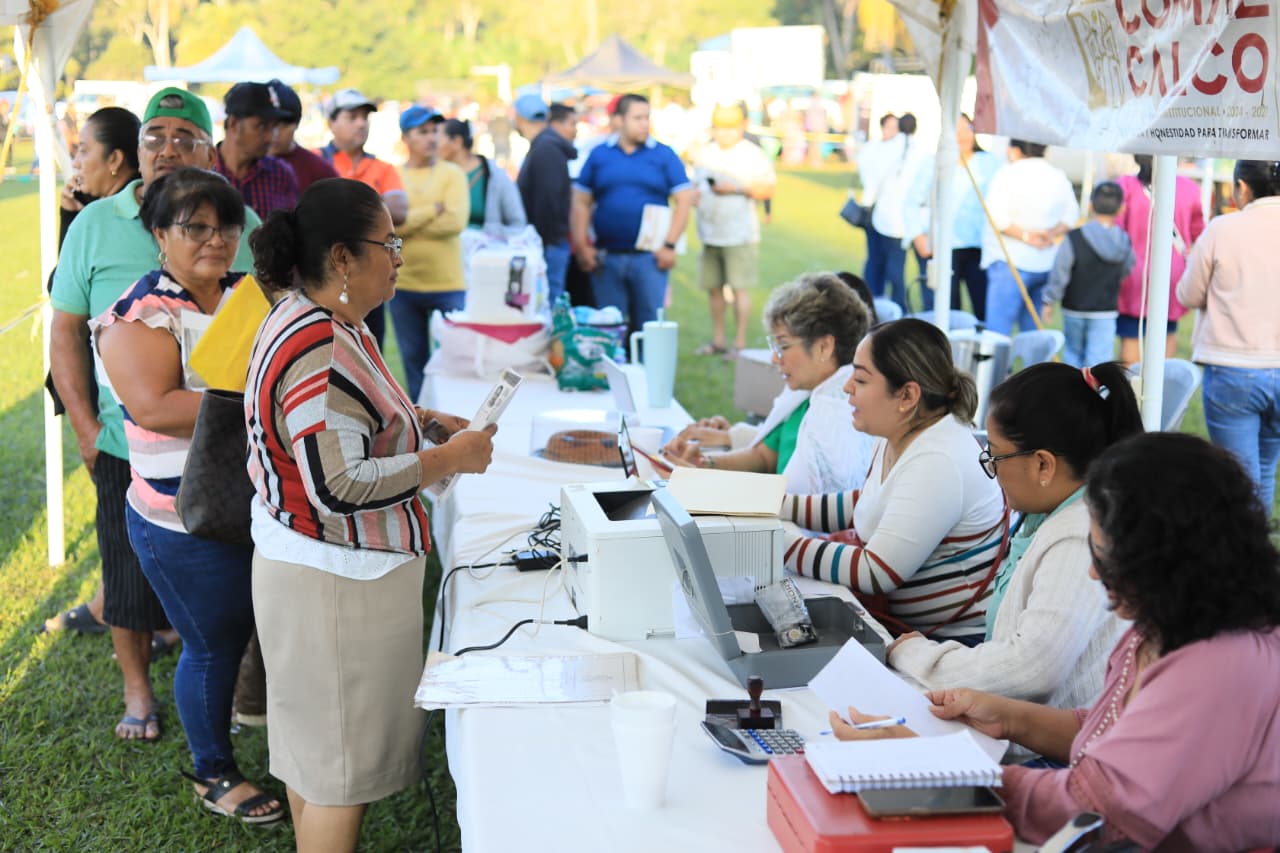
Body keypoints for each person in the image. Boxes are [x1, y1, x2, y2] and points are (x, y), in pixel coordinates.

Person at [830, 433, 1280, 851]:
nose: (1090, 573)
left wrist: (929, 767)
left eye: (1103, 557)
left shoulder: (1220, 666)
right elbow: (1117, 731)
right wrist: (1011, 717)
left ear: (1163, 560)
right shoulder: (1167, 623)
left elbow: (1098, 810)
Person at [246, 178, 496, 852]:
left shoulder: (327, 317)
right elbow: (337, 483)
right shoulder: (318, 346)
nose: (400, 254)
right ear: (344, 257)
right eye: (388, 242)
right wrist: (449, 460)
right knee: (337, 775)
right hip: (332, 587)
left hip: (315, 573)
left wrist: (423, 423)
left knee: (316, 759)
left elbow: (357, 424)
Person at [49, 88, 259, 742]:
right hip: (125, 440)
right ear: (135, 150)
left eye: (184, 137)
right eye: (154, 136)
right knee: (125, 573)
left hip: (225, 447)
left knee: (228, 567)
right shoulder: (93, 224)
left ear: (209, 150)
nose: (167, 148)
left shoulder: (238, 223)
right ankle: (138, 690)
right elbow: (64, 331)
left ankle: (224, 680)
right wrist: (85, 427)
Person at [93, 167, 282, 823]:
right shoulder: (139, 312)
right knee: (212, 642)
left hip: (255, 501)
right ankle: (213, 771)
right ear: (159, 235)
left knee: (251, 627)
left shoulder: (246, 293)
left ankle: (252, 718)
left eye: (226, 225)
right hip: (181, 516)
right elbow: (157, 406)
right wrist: (270, 402)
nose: (215, 238)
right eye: (194, 226)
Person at [889, 362, 1139, 710]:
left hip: (1053, 751)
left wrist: (915, 655)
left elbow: (1031, 671)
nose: (992, 469)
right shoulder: (1054, 517)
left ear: (1043, 465)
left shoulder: (1077, 536)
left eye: (996, 455)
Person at [782, 319, 1005, 641]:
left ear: (907, 395)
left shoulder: (938, 460)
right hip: (907, 632)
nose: (847, 387)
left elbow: (875, 572)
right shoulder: (900, 432)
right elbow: (868, 502)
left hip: (951, 646)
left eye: (860, 378)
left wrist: (775, 544)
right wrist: (773, 505)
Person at [43, 106, 143, 630]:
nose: (77, 159)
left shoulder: (137, 221)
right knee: (118, 513)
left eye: (84, 149)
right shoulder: (91, 213)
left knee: (126, 513)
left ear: (118, 159)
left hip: (117, 394)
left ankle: (117, 604)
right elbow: (64, 287)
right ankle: (113, 600)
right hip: (89, 382)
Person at [663, 273, 873, 494]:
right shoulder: (802, 396)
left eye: (783, 345)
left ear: (824, 347)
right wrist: (703, 464)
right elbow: (764, 456)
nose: (774, 358)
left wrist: (705, 482)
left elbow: (799, 502)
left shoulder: (840, 413)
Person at [1176, 159, 1280, 513]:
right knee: (1264, 469)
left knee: (1239, 475)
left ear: (1243, 188)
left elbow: (1188, 295)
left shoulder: (1223, 229)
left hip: (1233, 367)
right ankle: (1256, 551)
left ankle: (1243, 556)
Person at [572, 93, 694, 334]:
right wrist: (581, 245)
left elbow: (684, 199)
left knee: (649, 326)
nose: (644, 124)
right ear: (618, 120)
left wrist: (669, 246)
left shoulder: (663, 155)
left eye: (647, 117)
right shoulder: (600, 155)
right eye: (637, 118)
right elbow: (580, 201)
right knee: (609, 326)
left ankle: (649, 371)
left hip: (650, 258)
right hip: (607, 257)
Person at [390, 105, 469, 403]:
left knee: (455, 360)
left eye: (435, 130)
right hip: (404, 283)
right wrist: (432, 210)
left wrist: (409, 219)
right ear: (406, 138)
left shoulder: (453, 174)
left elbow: (454, 222)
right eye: (422, 132)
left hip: (448, 284)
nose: (431, 138)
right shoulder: (394, 176)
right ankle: (420, 419)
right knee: (414, 362)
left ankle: (456, 415)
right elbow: (391, 229)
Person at [321, 88, 407, 347]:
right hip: (327, 276)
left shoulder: (383, 167)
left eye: (365, 118)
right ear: (331, 123)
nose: (361, 123)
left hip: (372, 274)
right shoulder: (315, 162)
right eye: (352, 116)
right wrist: (375, 205)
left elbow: (400, 212)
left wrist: (337, 209)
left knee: (370, 351)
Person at [690, 103, 776, 356]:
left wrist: (737, 189)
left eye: (730, 128)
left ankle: (739, 344)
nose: (725, 133)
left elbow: (768, 189)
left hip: (740, 234)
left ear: (741, 127)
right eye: (720, 128)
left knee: (740, 289)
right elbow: (696, 185)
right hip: (709, 233)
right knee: (713, 289)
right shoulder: (705, 153)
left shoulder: (752, 154)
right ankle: (718, 341)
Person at [904, 114, 1002, 318]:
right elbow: (912, 201)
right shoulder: (934, 163)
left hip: (979, 246)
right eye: (957, 132)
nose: (963, 136)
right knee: (947, 307)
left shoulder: (990, 163)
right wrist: (918, 236)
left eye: (967, 130)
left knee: (982, 305)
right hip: (945, 245)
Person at [981, 140, 1080, 335]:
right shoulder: (1058, 176)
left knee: (997, 332)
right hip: (1045, 261)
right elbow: (1071, 215)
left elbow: (996, 218)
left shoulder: (1007, 173)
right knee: (1033, 333)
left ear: (1016, 150)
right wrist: (1049, 234)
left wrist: (1026, 236)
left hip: (1009, 260)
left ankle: (999, 367)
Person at [1116, 154, 1205, 364]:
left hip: (1132, 273)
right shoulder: (1190, 188)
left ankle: (1130, 392)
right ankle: (1162, 390)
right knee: (1167, 332)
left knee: (1130, 336)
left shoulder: (1124, 186)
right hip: (1172, 272)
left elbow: (1116, 232)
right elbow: (1197, 232)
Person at [1040, 182, 1135, 367]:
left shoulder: (1074, 238)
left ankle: (1072, 394)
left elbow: (1061, 271)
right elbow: (1128, 266)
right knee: (1099, 363)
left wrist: (1049, 299)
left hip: (1074, 307)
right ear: (1121, 208)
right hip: (1105, 310)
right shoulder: (1123, 240)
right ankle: (1094, 395)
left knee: (1073, 357)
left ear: (1090, 205)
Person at [516, 96, 577, 305]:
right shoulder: (545, 146)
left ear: (518, 118)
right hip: (549, 242)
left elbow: (548, 201)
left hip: (548, 244)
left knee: (548, 306)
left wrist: (539, 241)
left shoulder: (545, 149)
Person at [857, 113, 918, 313]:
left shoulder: (888, 150)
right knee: (889, 266)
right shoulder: (916, 150)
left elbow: (870, 180)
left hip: (886, 216)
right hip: (893, 217)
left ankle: (879, 305)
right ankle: (891, 306)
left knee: (881, 264)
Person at [212, 81, 298, 217]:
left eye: (274, 127)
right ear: (233, 124)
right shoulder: (203, 171)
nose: (271, 137)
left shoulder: (281, 174)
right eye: (261, 126)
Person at [438, 117, 527, 232]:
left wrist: (492, 237)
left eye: (437, 140)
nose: (432, 145)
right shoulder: (435, 175)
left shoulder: (495, 176)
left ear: (457, 142)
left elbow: (518, 222)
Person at [265, 79, 338, 193]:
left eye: (283, 125)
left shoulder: (320, 172)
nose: (275, 133)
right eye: (266, 124)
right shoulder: (240, 165)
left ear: (297, 124)